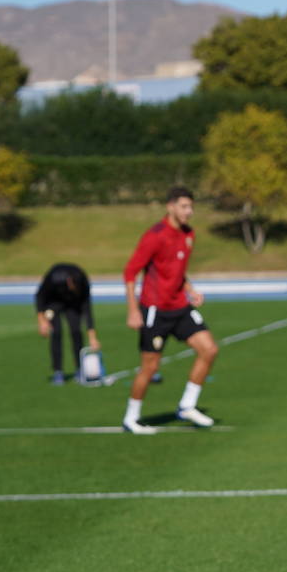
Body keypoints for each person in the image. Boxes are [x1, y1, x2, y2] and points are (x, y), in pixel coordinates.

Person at [119, 186, 220, 435]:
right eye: (185, 206)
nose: (189, 212)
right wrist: (133, 310)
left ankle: (187, 406)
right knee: (150, 368)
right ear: (171, 206)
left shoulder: (189, 234)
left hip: (180, 307)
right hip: (155, 310)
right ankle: (131, 418)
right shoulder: (155, 235)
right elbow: (130, 273)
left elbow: (176, 270)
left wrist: (190, 289)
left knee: (209, 349)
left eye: (191, 207)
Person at [35, 262, 99, 384]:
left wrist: (92, 337)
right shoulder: (54, 278)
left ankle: (79, 369)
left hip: (73, 304)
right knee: (57, 333)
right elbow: (39, 296)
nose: (76, 288)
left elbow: (87, 308)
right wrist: (41, 320)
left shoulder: (83, 282)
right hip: (53, 302)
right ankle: (58, 371)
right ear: (69, 281)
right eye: (74, 286)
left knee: (76, 331)